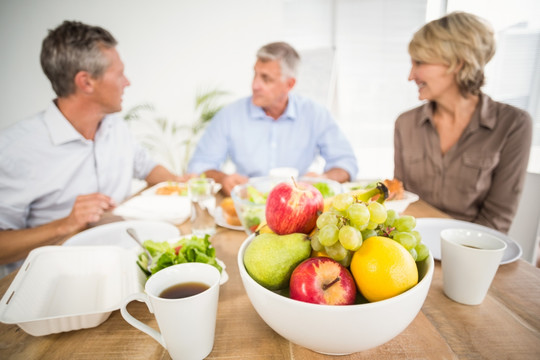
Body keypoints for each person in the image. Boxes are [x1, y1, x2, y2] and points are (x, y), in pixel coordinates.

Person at [0, 21, 186, 274]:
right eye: (119, 74)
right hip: (56, 278)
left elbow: (148, 166)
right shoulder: (14, 150)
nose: (127, 82)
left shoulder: (114, 127)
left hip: (125, 261)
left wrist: (178, 185)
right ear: (86, 82)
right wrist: (66, 224)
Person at [394, 12, 532, 233]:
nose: (411, 75)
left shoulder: (514, 124)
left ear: (457, 63)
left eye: (419, 62)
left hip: (474, 247)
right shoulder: (405, 123)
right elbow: (401, 199)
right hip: (416, 247)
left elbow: (497, 220)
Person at [187, 42, 358, 195]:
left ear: (289, 84)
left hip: (298, 205)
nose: (254, 85)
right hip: (248, 206)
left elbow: (346, 164)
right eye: (255, 74)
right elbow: (200, 165)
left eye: (266, 79)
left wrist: (323, 178)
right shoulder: (229, 115)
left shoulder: (315, 114)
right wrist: (223, 178)